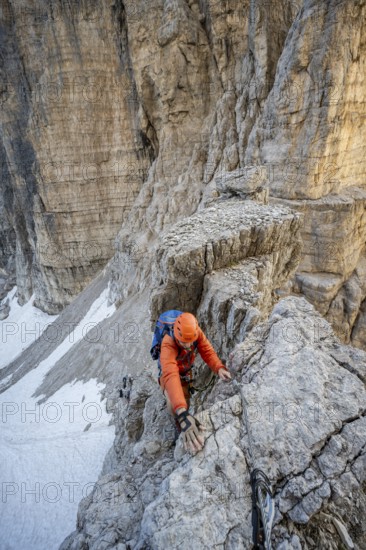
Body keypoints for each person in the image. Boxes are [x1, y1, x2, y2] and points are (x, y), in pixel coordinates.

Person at [158, 312, 231, 453]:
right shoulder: (168, 343)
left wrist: (219, 367)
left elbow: (206, 350)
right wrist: (182, 414)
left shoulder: (194, 333)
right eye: (185, 342)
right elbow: (171, 375)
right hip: (170, 373)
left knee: (186, 400)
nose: (189, 345)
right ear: (177, 336)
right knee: (172, 404)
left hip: (185, 371)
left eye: (191, 341)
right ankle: (179, 423)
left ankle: (183, 416)